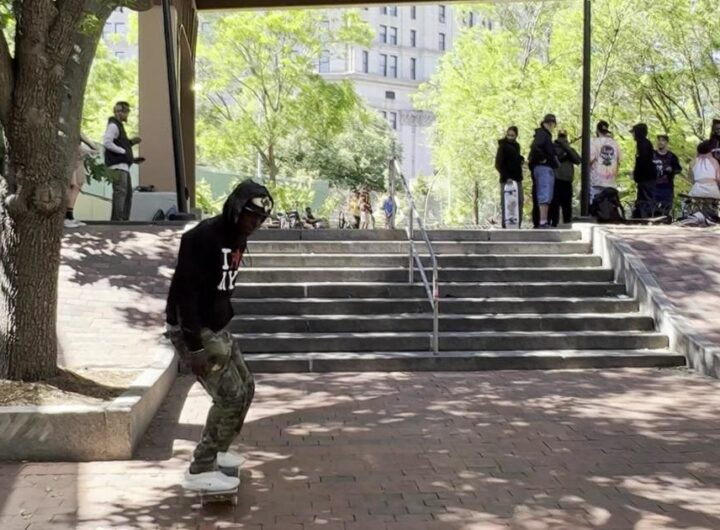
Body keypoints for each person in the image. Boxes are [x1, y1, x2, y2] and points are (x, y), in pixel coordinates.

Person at [165, 179, 273, 493]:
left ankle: (220, 451)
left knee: (247, 388)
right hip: (195, 329)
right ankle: (200, 468)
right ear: (236, 208)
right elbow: (184, 294)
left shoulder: (239, 237)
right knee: (230, 397)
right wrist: (194, 345)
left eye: (260, 219)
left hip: (217, 327)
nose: (255, 223)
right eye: (251, 215)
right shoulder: (203, 238)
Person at [104, 101, 141, 221]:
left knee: (127, 194)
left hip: (123, 166)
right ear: (120, 112)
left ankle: (123, 219)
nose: (127, 115)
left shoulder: (119, 126)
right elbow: (107, 142)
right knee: (120, 193)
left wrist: (130, 147)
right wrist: (124, 152)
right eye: (126, 112)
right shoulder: (114, 125)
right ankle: (117, 220)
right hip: (117, 167)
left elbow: (119, 144)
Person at [528, 114, 559, 228]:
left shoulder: (543, 135)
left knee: (544, 194)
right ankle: (543, 221)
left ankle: (543, 220)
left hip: (543, 167)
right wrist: (543, 158)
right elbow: (535, 147)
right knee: (545, 194)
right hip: (543, 167)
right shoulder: (543, 134)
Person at [65, 133, 99, 228]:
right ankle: (66, 217)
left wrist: (91, 147)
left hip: (78, 158)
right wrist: (91, 147)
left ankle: (69, 216)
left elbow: (80, 134)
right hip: (69, 157)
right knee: (72, 185)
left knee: (78, 185)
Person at [549, 130, 581, 227]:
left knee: (567, 206)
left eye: (563, 137)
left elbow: (578, 160)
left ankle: (567, 224)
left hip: (567, 182)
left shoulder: (570, 150)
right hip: (555, 181)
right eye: (561, 137)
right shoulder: (552, 149)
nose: (562, 139)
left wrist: (567, 148)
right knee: (554, 206)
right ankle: (554, 224)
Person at [495, 126, 525, 228]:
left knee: (519, 201)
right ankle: (505, 225)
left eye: (512, 135)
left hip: (517, 179)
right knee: (506, 203)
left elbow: (515, 159)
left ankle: (517, 225)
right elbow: (498, 164)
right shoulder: (502, 146)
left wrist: (521, 159)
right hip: (506, 180)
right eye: (509, 135)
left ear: (516, 136)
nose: (510, 137)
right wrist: (506, 176)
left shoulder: (517, 146)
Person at [589, 121, 621, 203]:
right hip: (611, 183)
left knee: (595, 208)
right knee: (609, 209)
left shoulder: (593, 142)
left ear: (597, 130)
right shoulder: (615, 144)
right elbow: (618, 161)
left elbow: (589, 160)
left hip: (596, 182)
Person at [631, 123, 656, 218]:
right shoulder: (641, 143)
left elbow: (643, 161)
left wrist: (638, 174)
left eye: (634, 132)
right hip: (644, 177)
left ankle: (647, 217)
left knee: (646, 199)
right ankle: (640, 216)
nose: (633, 135)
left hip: (647, 177)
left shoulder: (643, 144)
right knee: (642, 199)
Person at [653, 134, 682, 216]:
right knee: (652, 210)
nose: (660, 142)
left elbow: (678, 169)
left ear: (666, 142)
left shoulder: (672, 156)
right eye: (659, 140)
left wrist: (671, 169)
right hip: (653, 187)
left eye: (663, 140)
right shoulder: (652, 154)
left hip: (667, 187)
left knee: (666, 210)